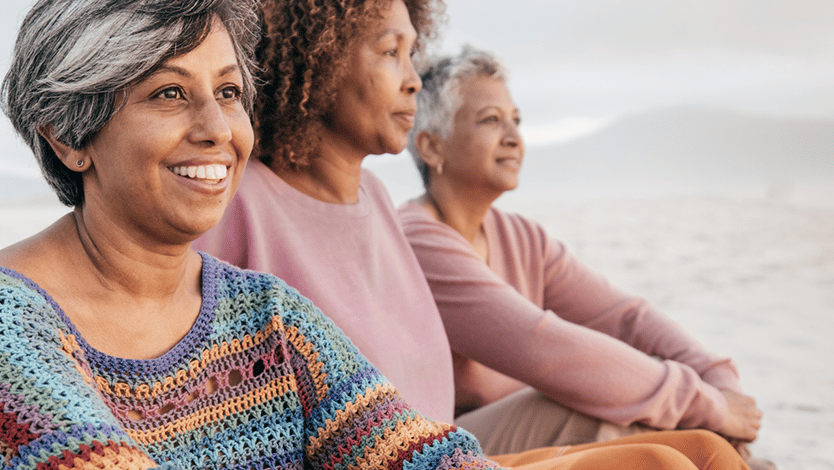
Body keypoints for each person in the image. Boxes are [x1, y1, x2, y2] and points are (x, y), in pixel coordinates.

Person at [0, 0, 731, 469]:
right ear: (68, 135)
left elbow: (407, 451)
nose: (216, 129)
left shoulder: (266, 316)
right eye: (166, 95)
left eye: (228, 93)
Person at [192, 0, 750, 469]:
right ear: (321, 61)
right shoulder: (242, 204)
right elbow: (540, 343)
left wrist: (717, 384)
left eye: (413, 52)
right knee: (664, 463)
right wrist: (703, 399)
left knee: (705, 450)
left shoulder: (377, 201)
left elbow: (622, 316)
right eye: (391, 53)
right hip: (389, 458)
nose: (413, 78)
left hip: (444, 452)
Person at [397, 45, 770, 467]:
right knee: (588, 400)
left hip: (515, 429)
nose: (514, 137)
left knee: (682, 429)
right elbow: (546, 348)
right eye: (491, 120)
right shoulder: (418, 240)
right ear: (431, 147)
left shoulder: (522, 237)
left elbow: (628, 318)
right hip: (441, 449)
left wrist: (715, 374)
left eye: (516, 120)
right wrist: (709, 406)